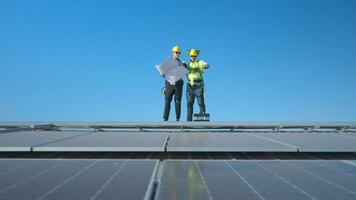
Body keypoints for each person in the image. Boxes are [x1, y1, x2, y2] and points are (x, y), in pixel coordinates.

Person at [162, 45, 186, 121]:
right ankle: (165, 119)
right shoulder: (168, 62)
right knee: (167, 101)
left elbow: (186, 67)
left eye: (179, 53)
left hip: (178, 84)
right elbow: (163, 72)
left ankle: (178, 119)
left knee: (178, 101)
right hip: (169, 84)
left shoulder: (181, 62)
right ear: (173, 52)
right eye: (176, 52)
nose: (177, 54)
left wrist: (182, 65)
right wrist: (163, 74)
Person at [186, 48, 209, 121]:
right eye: (191, 56)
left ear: (196, 56)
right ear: (189, 56)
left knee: (201, 103)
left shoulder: (199, 62)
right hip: (190, 86)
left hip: (198, 86)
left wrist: (206, 65)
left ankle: (203, 120)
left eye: (194, 56)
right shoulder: (187, 65)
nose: (193, 57)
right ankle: (189, 121)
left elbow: (204, 64)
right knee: (189, 103)